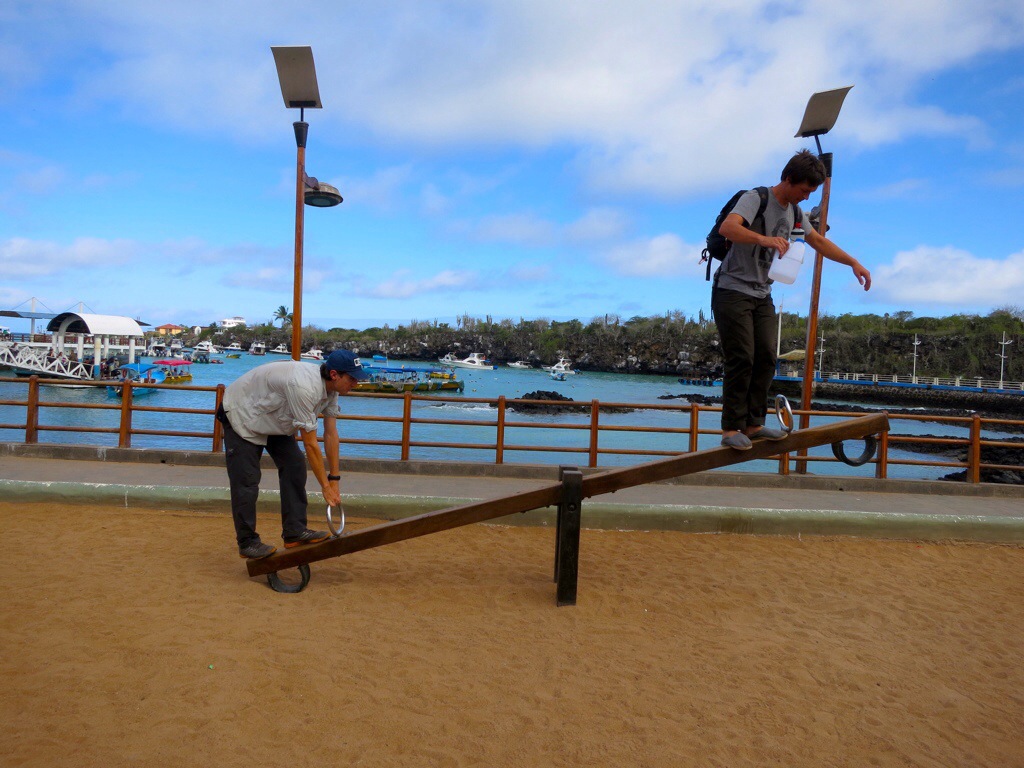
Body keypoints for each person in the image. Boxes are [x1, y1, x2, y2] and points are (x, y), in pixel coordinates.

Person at [712, 150, 871, 450]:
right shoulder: (756, 198)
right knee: (742, 357)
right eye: (804, 190)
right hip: (732, 289)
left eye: (811, 192)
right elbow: (728, 228)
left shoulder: (795, 213)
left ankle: (754, 424)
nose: (806, 196)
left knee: (766, 357)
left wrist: (853, 262)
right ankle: (731, 429)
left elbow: (818, 241)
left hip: (762, 293)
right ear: (788, 178)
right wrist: (764, 239)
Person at [219, 349, 369, 559]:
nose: (356, 383)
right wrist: (325, 488)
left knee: (295, 465)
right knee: (247, 480)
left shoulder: (332, 390)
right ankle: (247, 542)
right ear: (334, 374)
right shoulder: (304, 387)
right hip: (242, 413)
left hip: (273, 419)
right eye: (352, 378)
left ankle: (294, 531)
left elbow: (331, 434)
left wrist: (334, 479)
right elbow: (310, 444)